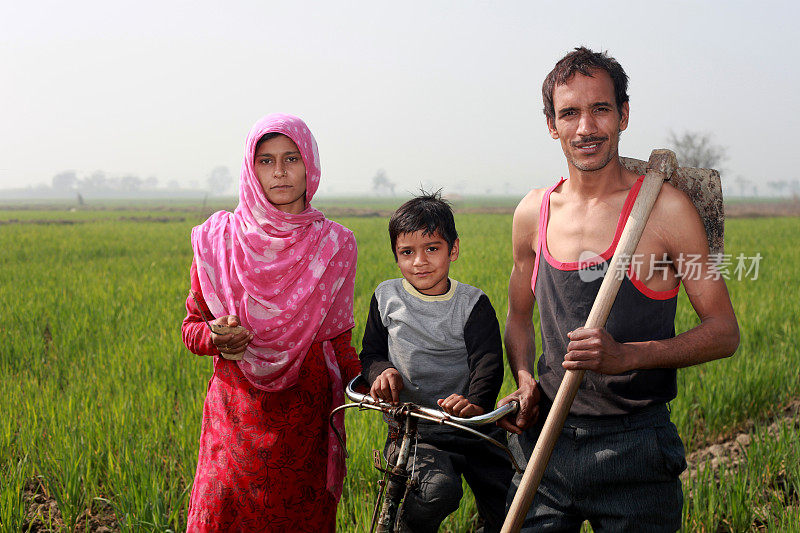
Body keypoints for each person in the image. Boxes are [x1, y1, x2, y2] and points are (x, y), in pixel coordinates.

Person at [499, 47, 740, 531]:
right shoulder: (533, 212)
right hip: (544, 444)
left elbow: (723, 332)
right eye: (570, 113)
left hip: (635, 450)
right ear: (552, 124)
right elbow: (520, 320)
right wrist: (524, 377)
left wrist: (628, 357)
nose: (585, 127)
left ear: (623, 114)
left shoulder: (665, 211)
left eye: (600, 109)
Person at [181, 113, 360, 532]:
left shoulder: (335, 244)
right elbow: (191, 327)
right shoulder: (217, 240)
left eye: (291, 158)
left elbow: (339, 343)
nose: (279, 172)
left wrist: (374, 382)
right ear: (250, 167)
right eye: (266, 160)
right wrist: (215, 336)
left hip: (306, 423)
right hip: (235, 420)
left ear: (310, 165)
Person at [360, 191, 513, 533]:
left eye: (432, 248)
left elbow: (487, 362)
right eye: (407, 252)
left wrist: (474, 402)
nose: (420, 262)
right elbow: (370, 353)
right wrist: (381, 372)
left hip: (470, 426)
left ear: (453, 249)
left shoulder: (472, 304)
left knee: (513, 499)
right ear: (396, 256)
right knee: (437, 490)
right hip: (414, 427)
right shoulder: (386, 298)